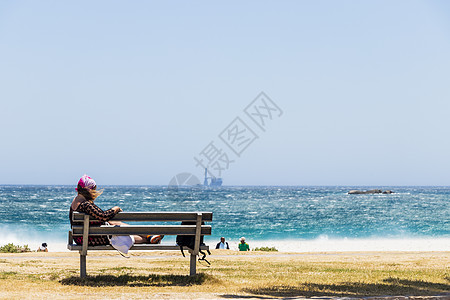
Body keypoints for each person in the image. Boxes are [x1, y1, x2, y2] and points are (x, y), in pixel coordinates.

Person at [69, 174, 163, 247]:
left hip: (80, 238)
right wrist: (115, 209)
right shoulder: (86, 205)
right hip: (90, 239)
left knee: (113, 222)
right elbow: (103, 216)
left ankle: (149, 236)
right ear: (89, 190)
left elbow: (100, 216)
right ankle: (148, 238)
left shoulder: (75, 202)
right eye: (94, 189)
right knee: (119, 236)